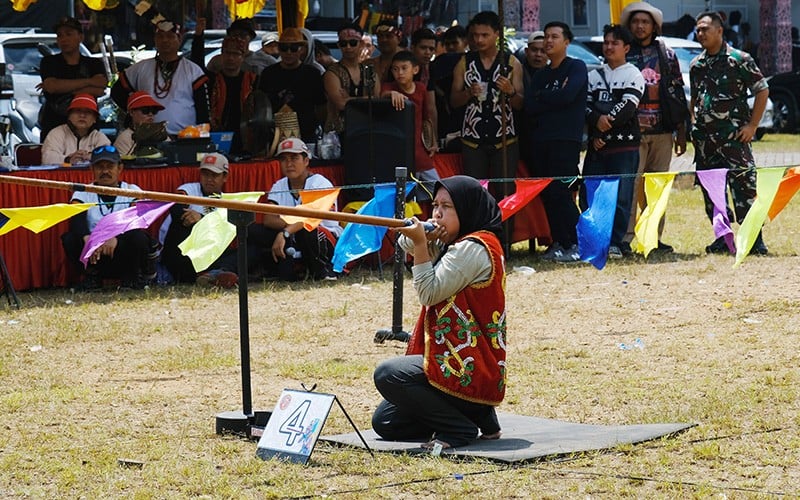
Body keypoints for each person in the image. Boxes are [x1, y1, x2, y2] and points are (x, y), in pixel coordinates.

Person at [371, 175, 507, 450]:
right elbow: (405, 244)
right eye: (435, 205)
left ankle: (458, 429)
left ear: (466, 209)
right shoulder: (459, 242)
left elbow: (429, 293)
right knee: (386, 422)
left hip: (469, 364)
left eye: (447, 206)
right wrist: (419, 233)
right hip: (459, 357)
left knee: (388, 374)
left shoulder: (472, 248)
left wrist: (421, 244)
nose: (437, 213)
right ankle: (478, 414)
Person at [690, 11, 770, 255]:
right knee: (712, 192)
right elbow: (694, 98)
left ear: (719, 30)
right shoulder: (697, 65)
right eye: (698, 29)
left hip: (734, 138)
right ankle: (722, 238)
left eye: (705, 29)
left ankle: (754, 239)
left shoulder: (739, 59)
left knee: (744, 187)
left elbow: (762, 90)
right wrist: (692, 122)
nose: (700, 33)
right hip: (705, 141)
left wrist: (753, 126)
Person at [620, 2, 687, 253]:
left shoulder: (667, 54)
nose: (640, 26)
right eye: (636, 22)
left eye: (645, 22)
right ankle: (625, 239)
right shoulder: (623, 51)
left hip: (662, 132)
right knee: (630, 186)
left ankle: (653, 239)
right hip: (632, 133)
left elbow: (677, 93)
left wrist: (681, 131)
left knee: (657, 187)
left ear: (654, 26)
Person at [523, 21, 587, 263]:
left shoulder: (576, 67)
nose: (548, 41)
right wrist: (551, 97)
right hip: (541, 141)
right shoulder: (541, 74)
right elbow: (530, 106)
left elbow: (568, 96)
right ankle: (559, 242)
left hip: (565, 140)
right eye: (546, 36)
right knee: (548, 194)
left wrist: (544, 97)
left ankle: (578, 242)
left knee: (561, 192)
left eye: (554, 37)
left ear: (566, 42)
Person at [584, 24, 645, 259]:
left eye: (615, 43)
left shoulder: (633, 74)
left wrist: (604, 124)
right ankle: (595, 240)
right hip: (597, 147)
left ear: (626, 48)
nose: (609, 47)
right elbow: (585, 106)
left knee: (621, 195)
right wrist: (596, 125)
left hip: (624, 146)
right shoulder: (593, 75)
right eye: (606, 42)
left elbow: (628, 106)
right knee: (591, 192)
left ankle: (616, 242)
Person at [61, 145, 158, 291]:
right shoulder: (82, 192)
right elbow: (76, 221)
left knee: (139, 238)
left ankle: (131, 278)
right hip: (94, 252)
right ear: (92, 169)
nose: (105, 171)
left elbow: (137, 222)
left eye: (110, 166)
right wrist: (89, 239)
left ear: (120, 168)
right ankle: (92, 277)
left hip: (121, 249)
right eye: (100, 167)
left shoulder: (132, 190)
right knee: (70, 238)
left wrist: (115, 238)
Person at [450, 11, 523, 193]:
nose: (479, 40)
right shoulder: (464, 62)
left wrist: (510, 91)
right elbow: (453, 101)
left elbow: (521, 104)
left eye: (485, 35)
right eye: (475, 35)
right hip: (472, 140)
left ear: (497, 34)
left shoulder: (512, 63)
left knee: (505, 192)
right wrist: (468, 93)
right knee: (475, 191)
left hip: (504, 139)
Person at [261, 138, 341, 281]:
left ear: (306, 161)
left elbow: (310, 218)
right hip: (293, 235)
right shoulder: (279, 185)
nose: (289, 164)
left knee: (309, 230)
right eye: (284, 159)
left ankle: (324, 271)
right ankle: (278, 270)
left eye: (294, 158)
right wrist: (290, 229)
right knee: (254, 231)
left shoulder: (320, 183)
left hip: (324, 237)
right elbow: (268, 219)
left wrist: (286, 232)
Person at [111, 20, 209, 137]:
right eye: (160, 36)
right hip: (148, 137)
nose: (165, 40)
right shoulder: (140, 68)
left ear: (179, 39)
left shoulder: (193, 70)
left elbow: (202, 109)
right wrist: (136, 110)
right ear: (155, 40)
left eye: (170, 36)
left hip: (185, 138)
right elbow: (117, 92)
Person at [160, 153, 242, 288]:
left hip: (209, 253)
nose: (209, 179)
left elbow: (226, 233)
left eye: (214, 175)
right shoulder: (189, 189)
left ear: (225, 177)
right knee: (184, 222)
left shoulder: (228, 202)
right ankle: (211, 273)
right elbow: (176, 209)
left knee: (248, 246)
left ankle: (213, 274)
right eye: (205, 174)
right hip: (180, 252)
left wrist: (201, 219)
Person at [38, 16, 107, 141]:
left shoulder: (93, 63)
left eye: (69, 34)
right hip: (54, 125)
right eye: (60, 35)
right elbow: (52, 86)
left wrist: (63, 88)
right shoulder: (49, 62)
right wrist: (89, 82)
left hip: (87, 128)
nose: (64, 39)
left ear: (81, 37)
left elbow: (99, 89)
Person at [381, 51, 439, 191]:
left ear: (415, 69)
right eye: (395, 69)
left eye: (404, 68)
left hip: (420, 151)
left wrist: (432, 141)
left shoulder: (421, 88)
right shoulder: (389, 87)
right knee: (405, 193)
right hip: (399, 151)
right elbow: (382, 94)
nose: (399, 73)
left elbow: (426, 119)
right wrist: (392, 94)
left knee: (436, 187)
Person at [258, 28, 326, 144]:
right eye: (284, 48)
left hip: (306, 134)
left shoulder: (312, 74)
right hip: (274, 135)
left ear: (302, 49)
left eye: (294, 48)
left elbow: (321, 106)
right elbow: (261, 104)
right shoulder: (268, 73)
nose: (288, 52)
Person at [323, 24, 381, 137]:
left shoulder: (370, 71)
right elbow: (340, 104)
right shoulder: (332, 73)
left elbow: (377, 102)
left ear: (361, 44)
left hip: (367, 131)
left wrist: (349, 99)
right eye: (343, 44)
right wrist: (366, 99)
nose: (348, 47)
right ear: (338, 45)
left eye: (353, 43)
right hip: (338, 134)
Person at [205, 37, 258, 156]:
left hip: (245, 138)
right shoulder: (211, 81)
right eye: (227, 53)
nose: (230, 58)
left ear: (243, 57)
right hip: (218, 136)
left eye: (236, 54)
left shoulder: (253, 81)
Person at [42, 94, 111, 166]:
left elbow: (108, 158)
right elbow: (47, 159)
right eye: (78, 111)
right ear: (69, 116)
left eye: (88, 112)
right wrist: (68, 159)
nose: (82, 115)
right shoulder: (56, 133)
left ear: (95, 119)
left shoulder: (99, 137)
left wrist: (92, 157)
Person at [113, 91, 165, 157]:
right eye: (145, 110)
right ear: (131, 112)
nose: (150, 114)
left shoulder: (160, 134)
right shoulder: (124, 138)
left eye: (154, 111)